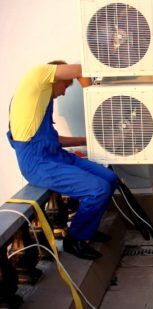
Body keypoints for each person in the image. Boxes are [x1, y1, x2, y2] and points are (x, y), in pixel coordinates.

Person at [7, 61, 118, 260]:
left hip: (55, 156)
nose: (65, 92)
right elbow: (82, 68)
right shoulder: (38, 75)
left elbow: (52, 139)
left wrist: (88, 139)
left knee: (109, 178)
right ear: (55, 78)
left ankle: (87, 230)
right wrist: (94, 95)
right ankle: (74, 239)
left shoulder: (41, 101)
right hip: (38, 163)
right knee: (98, 189)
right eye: (66, 85)